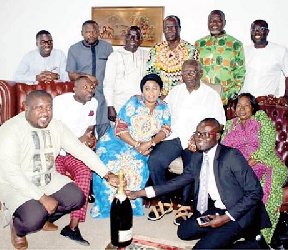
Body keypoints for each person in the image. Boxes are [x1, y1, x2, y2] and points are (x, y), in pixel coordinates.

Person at [0, 90, 118, 249]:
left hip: (47, 178)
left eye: (49, 108)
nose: (45, 113)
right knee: (33, 217)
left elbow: (79, 149)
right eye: (39, 108)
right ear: (25, 107)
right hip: (16, 184)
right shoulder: (10, 130)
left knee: (77, 198)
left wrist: (106, 173)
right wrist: (42, 198)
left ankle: (44, 218)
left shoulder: (56, 126)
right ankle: (18, 229)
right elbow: (12, 173)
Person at [129, 118, 271, 249]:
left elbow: (255, 192)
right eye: (198, 133)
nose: (200, 138)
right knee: (184, 232)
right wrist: (140, 193)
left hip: (241, 214)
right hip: (219, 208)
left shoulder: (231, 156)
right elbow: (175, 183)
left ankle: (254, 244)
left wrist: (225, 218)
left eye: (206, 134)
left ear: (217, 136)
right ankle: (220, 235)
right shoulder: (198, 157)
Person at [146, 59, 226, 223]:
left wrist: (198, 137)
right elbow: (163, 112)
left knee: (192, 166)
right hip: (174, 136)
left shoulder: (211, 95)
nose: (188, 75)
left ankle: (184, 205)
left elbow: (219, 123)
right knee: (154, 161)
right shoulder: (176, 91)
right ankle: (165, 200)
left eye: (192, 72)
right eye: (184, 72)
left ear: (200, 73)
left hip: (197, 140)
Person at [90, 74, 171, 219]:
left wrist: (150, 143)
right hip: (118, 141)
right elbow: (120, 127)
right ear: (142, 91)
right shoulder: (133, 102)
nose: (151, 92)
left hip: (145, 146)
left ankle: (127, 205)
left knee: (136, 166)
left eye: (155, 89)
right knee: (109, 162)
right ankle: (106, 205)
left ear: (160, 91)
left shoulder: (164, 108)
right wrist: (136, 145)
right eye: (147, 89)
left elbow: (165, 130)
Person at [221, 93, 288, 244]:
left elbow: (267, 143)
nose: (242, 109)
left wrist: (250, 161)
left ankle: (263, 236)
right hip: (239, 167)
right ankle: (240, 228)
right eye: (239, 106)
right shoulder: (231, 124)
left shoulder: (261, 119)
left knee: (265, 190)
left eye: (246, 105)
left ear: (253, 107)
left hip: (267, 163)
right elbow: (224, 147)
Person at [52, 76, 98, 245]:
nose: (90, 90)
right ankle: (47, 216)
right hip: (56, 151)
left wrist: (89, 135)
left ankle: (72, 228)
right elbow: (53, 131)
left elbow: (90, 125)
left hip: (76, 152)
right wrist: (78, 140)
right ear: (75, 89)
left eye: (92, 87)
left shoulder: (94, 103)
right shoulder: (60, 102)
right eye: (85, 87)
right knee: (58, 185)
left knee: (85, 175)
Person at [66, 20, 113, 137]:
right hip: (83, 97)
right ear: (82, 33)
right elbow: (71, 74)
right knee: (84, 132)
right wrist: (87, 77)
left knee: (105, 134)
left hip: (102, 97)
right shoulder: (74, 49)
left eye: (93, 32)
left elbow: (113, 72)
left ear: (98, 33)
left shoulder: (107, 48)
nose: (91, 34)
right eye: (87, 32)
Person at [195, 10, 245, 105]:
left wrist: (231, 94)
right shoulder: (199, 44)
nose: (214, 23)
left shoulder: (235, 44)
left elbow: (240, 73)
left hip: (225, 97)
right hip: (202, 96)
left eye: (218, 20)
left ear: (224, 23)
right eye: (211, 21)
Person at [240, 20, 288, 105]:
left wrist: (286, 97)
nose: (257, 32)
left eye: (261, 29)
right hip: (246, 102)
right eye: (254, 29)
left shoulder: (280, 50)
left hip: (267, 102)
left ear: (267, 32)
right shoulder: (244, 51)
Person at [146, 15, 199, 98]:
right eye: (167, 27)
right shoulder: (155, 50)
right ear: (163, 30)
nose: (170, 30)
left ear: (179, 28)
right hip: (159, 98)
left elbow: (193, 77)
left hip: (182, 97)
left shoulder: (190, 50)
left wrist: (173, 96)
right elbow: (150, 75)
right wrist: (158, 95)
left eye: (173, 27)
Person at [103, 26, 148, 122]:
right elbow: (108, 84)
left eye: (136, 36)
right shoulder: (115, 56)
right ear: (125, 38)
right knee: (120, 134)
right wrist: (110, 106)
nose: (132, 39)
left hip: (141, 104)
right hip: (119, 104)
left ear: (140, 39)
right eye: (129, 36)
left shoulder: (147, 55)